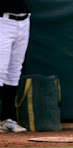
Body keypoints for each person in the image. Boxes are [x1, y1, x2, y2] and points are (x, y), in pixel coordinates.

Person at [0, 0, 32, 132]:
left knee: (14, 72)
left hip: (24, 21)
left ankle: (6, 119)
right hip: (3, 21)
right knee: (0, 69)